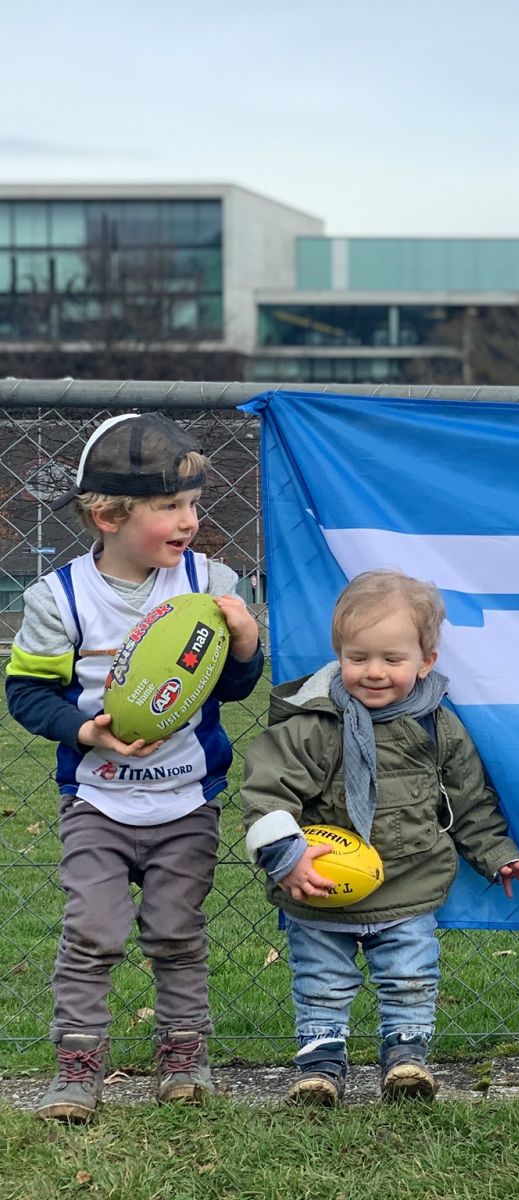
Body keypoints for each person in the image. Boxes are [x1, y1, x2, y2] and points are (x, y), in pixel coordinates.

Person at [4, 413, 264, 1123]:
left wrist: (244, 645)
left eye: (193, 505)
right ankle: (77, 1070)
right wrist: (84, 729)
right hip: (97, 801)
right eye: (170, 507)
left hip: (186, 800)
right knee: (93, 931)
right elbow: (25, 692)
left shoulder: (209, 580)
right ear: (107, 514)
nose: (190, 520)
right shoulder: (58, 598)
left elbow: (233, 689)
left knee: (178, 933)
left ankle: (184, 1060)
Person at [240, 569, 519, 1105]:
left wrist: (499, 856)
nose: (373, 672)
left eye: (392, 660)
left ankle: (406, 1061)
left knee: (410, 977)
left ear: (426, 660)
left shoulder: (437, 727)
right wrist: (288, 857)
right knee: (321, 981)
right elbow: (267, 790)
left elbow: (469, 801)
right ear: (339, 653)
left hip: (408, 886)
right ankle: (320, 1067)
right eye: (358, 658)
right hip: (320, 889)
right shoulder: (314, 722)